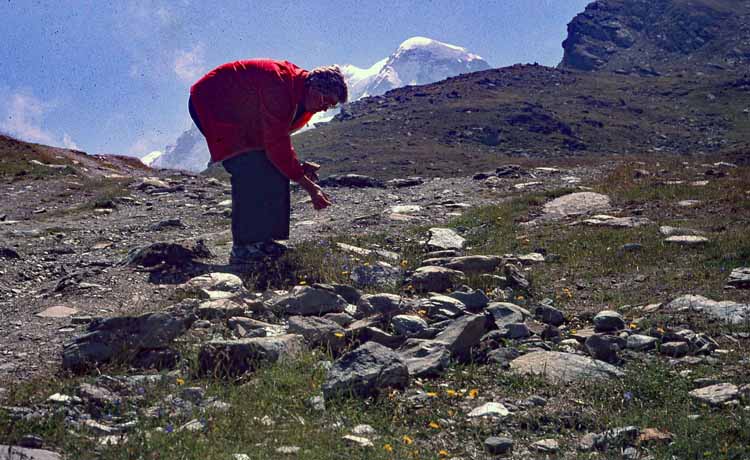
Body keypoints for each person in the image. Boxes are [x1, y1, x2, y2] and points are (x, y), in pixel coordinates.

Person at [188, 59, 347, 264]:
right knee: (248, 167)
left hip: (241, 108)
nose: (325, 108)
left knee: (270, 165)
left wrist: (295, 169)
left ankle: (265, 240)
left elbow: (278, 143)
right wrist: (310, 187)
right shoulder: (279, 87)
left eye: (331, 106)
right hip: (213, 101)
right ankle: (244, 247)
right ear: (314, 88)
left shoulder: (299, 93)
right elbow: (276, 145)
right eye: (327, 101)